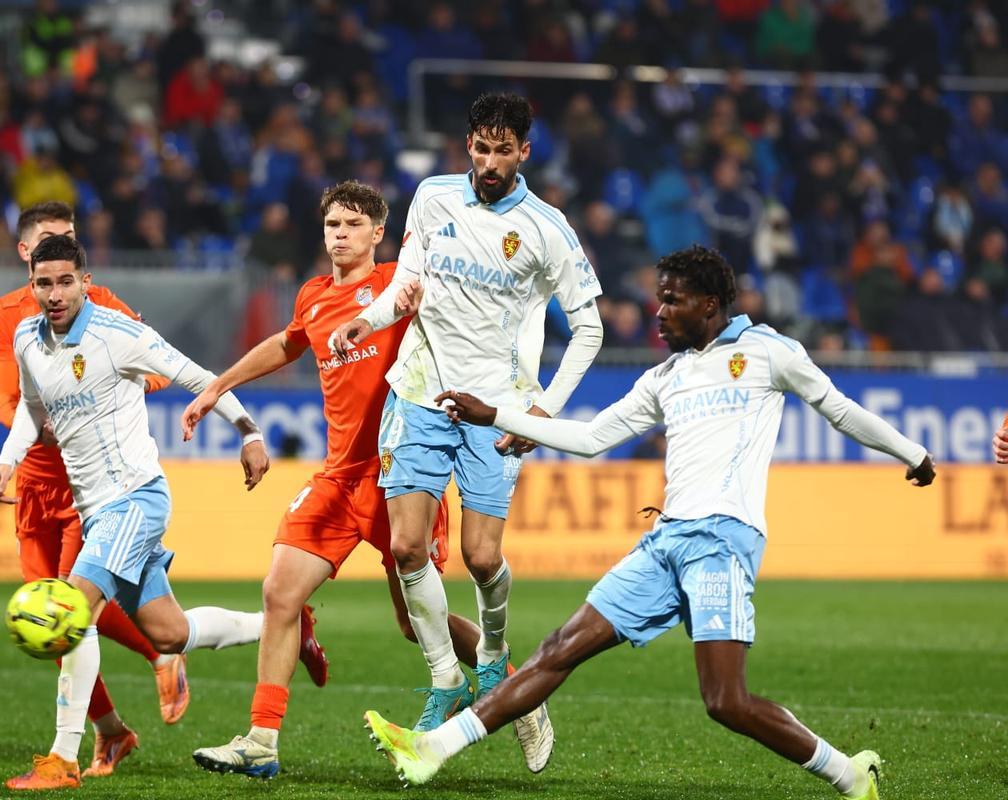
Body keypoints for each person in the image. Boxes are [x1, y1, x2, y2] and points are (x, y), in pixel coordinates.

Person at [363, 245, 936, 800]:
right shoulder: (666, 377)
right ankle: (433, 749)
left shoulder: (767, 352)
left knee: (725, 701)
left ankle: (851, 775)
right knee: (559, 647)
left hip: (720, 541)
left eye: (671, 301)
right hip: (665, 544)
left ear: (709, 304)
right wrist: (498, 416)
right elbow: (591, 438)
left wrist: (912, 453)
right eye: (659, 300)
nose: (658, 313)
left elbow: (838, 408)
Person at [0, 205, 326, 785]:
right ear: (31, 285)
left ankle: (63, 759)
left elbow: (198, 376)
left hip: (136, 498)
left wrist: (249, 430)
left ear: (84, 282)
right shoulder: (26, 339)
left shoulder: (119, 335)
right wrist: (8, 460)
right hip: (99, 513)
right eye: (45, 284)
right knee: (170, 632)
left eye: (67, 281)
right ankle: (290, 625)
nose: (56, 293)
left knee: (72, 610)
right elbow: (32, 414)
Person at [183, 181, 512, 777]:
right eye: (333, 224)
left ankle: (512, 683)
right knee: (280, 594)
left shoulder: (396, 284)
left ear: (378, 234)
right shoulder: (311, 295)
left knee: (416, 626)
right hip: (339, 478)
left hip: (401, 473)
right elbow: (288, 344)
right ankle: (261, 740)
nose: (340, 234)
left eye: (353, 225)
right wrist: (217, 386)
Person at [328, 93, 603, 759]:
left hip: (497, 407)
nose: (487, 161)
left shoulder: (546, 228)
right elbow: (408, 287)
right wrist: (369, 320)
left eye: (501, 150)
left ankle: (496, 659)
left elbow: (589, 327)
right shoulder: (432, 197)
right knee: (406, 550)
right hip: (420, 392)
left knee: (481, 558)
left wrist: (543, 411)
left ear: (524, 152)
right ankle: (447, 679)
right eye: (479, 148)